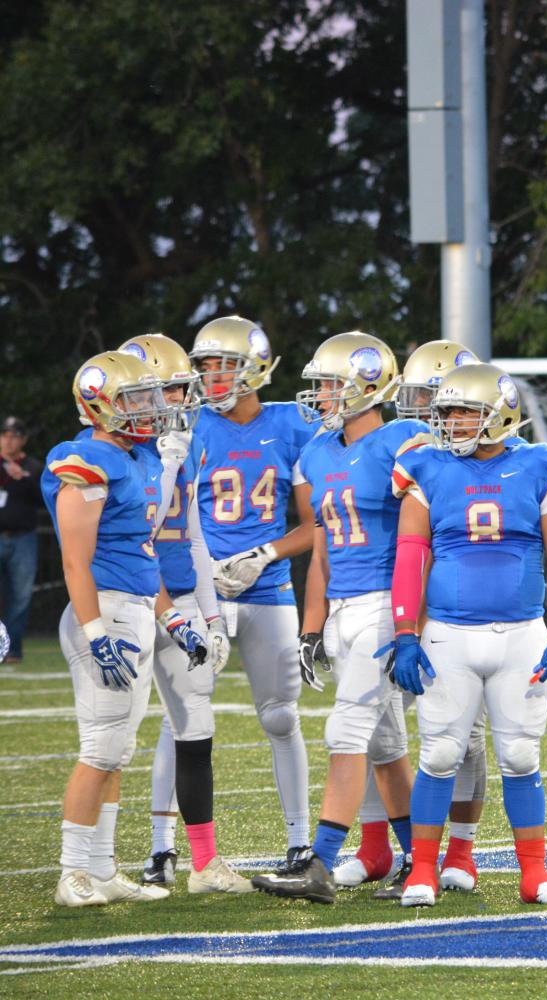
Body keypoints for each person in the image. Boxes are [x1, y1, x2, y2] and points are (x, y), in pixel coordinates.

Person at [387, 362, 547, 907]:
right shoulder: (425, 469)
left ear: (500, 415)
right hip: (447, 634)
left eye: (463, 411)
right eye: (446, 412)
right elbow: (410, 559)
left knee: (521, 756)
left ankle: (534, 872)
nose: (450, 422)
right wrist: (406, 633)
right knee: (440, 753)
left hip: (521, 633)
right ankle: (422, 869)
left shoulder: (543, 468)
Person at [250, 333, 429, 904]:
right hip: (344, 606)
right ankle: (417, 859)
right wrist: (312, 626)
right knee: (384, 743)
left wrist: (410, 623)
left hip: (383, 601)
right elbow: (322, 552)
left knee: (346, 729)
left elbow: (419, 540)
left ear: (369, 387)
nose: (322, 395)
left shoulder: (402, 441)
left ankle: (320, 864)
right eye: (320, 384)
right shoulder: (320, 453)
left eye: (332, 384)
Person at [42, 351, 207, 906]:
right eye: (136, 399)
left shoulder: (132, 459)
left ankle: (104, 868)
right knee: (99, 749)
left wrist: (172, 617)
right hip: (104, 612)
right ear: (99, 402)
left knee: (118, 750)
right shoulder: (86, 460)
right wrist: (94, 631)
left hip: (131, 606)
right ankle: (72, 874)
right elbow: (74, 562)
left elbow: (139, 559)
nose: (150, 409)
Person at [331, 339, 489, 896]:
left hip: (453, 612)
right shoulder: (410, 456)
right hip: (393, 607)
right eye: (419, 399)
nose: (427, 414)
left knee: (462, 739)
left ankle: (461, 853)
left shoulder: (486, 464)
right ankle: (380, 847)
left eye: (437, 400)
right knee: (381, 731)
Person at [188, 315, 319, 874]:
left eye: (224, 367)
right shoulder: (187, 425)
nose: (212, 378)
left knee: (280, 717)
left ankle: (299, 838)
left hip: (266, 587)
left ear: (256, 369)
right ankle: (164, 847)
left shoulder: (292, 425)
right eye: (206, 367)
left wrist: (263, 555)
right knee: (186, 720)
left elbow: (317, 523)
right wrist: (199, 571)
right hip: (202, 591)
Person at [117, 335, 243, 893]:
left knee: (196, 726)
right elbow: (138, 530)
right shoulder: (114, 454)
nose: (178, 400)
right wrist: (165, 464)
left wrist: (211, 616)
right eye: (166, 389)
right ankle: (97, 863)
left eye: (178, 388)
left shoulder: (182, 444)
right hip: (131, 598)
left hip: (183, 598)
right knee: (111, 736)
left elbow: (191, 536)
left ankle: (204, 863)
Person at [0, 416, 43, 662]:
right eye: (5, 435)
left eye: (15, 436)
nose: (9, 440)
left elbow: (44, 501)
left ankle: (12, 650)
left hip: (23, 539)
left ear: (23, 440)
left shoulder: (33, 467)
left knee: (21, 596)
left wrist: (24, 479)